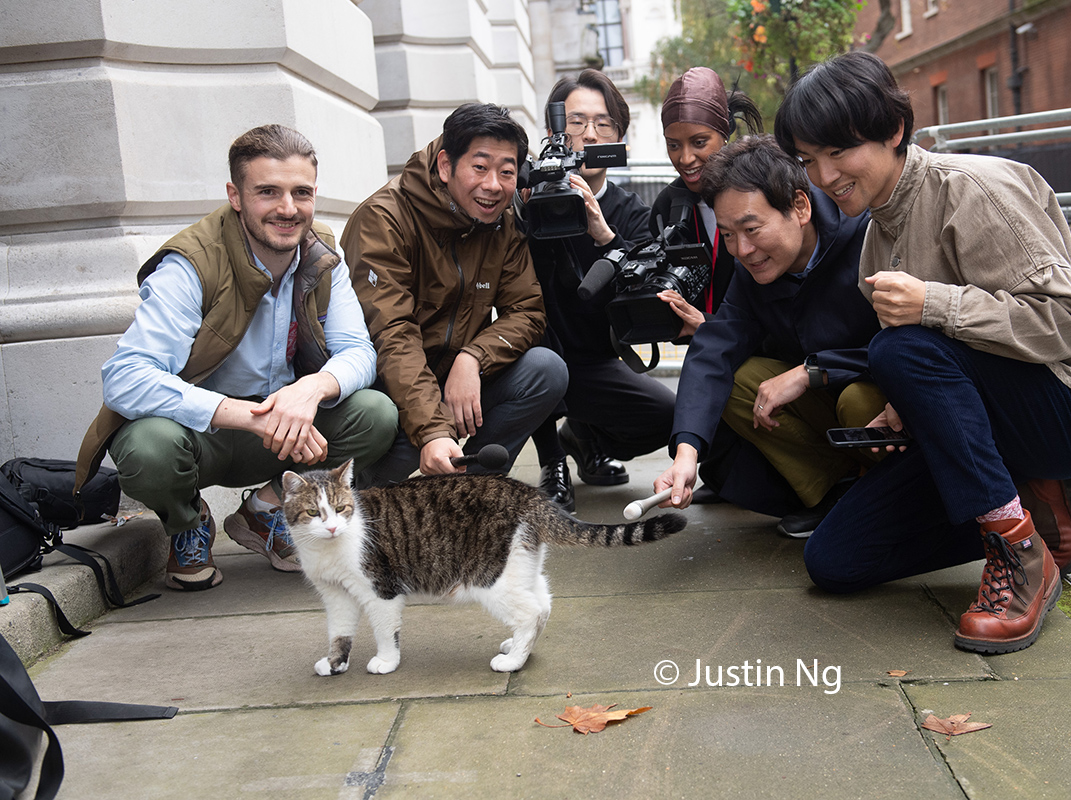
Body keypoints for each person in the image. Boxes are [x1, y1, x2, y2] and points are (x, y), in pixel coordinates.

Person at [774, 51, 1071, 654]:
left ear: (893, 130)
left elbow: (1065, 323)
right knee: (835, 561)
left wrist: (932, 306)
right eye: (810, 160)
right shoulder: (876, 237)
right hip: (1005, 418)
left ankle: (1018, 553)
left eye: (839, 151)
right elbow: (946, 363)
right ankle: (1031, 510)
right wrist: (905, 411)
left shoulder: (974, 189)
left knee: (899, 347)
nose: (825, 175)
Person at [74, 124, 398, 592]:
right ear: (236, 195)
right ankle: (188, 523)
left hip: (287, 431)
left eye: (301, 193)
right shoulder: (192, 262)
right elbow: (125, 378)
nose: (288, 209)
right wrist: (249, 416)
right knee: (147, 450)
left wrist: (310, 389)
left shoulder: (323, 251)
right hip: (200, 434)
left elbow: (358, 352)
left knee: (375, 413)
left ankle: (266, 512)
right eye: (268, 192)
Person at [653, 135, 884, 534]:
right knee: (741, 379)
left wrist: (810, 371)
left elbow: (910, 345)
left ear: (800, 206)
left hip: (883, 398)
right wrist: (686, 453)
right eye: (726, 234)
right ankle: (836, 490)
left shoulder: (870, 237)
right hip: (821, 404)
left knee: (858, 401)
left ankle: (898, 495)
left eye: (752, 229)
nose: (741, 250)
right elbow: (715, 348)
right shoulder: (752, 270)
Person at [343, 103, 568, 486]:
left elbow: (527, 311)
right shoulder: (384, 219)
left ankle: (468, 497)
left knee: (545, 370)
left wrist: (473, 358)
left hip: (451, 375)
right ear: (446, 165)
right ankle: (355, 499)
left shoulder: (503, 222)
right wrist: (432, 430)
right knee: (400, 435)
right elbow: (392, 335)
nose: (494, 185)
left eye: (507, 172)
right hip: (388, 385)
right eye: (479, 167)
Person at [524, 70, 673, 511]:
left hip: (596, 361)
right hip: (534, 355)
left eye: (603, 124)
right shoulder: (526, 197)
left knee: (668, 417)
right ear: (554, 131)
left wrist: (605, 235)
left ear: (618, 136)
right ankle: (553, 460)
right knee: (536, 357)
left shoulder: (632, 212)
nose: (589, 134)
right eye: (576, 122)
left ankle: (583, 436)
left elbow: (644, 300)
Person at [651, 67, 764, 338]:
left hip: (764, 342)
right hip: (703, 344)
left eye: (699, 142)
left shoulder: (759, 190)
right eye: (673, 145)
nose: (685, 158)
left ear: (724, 134)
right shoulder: (667, 206)